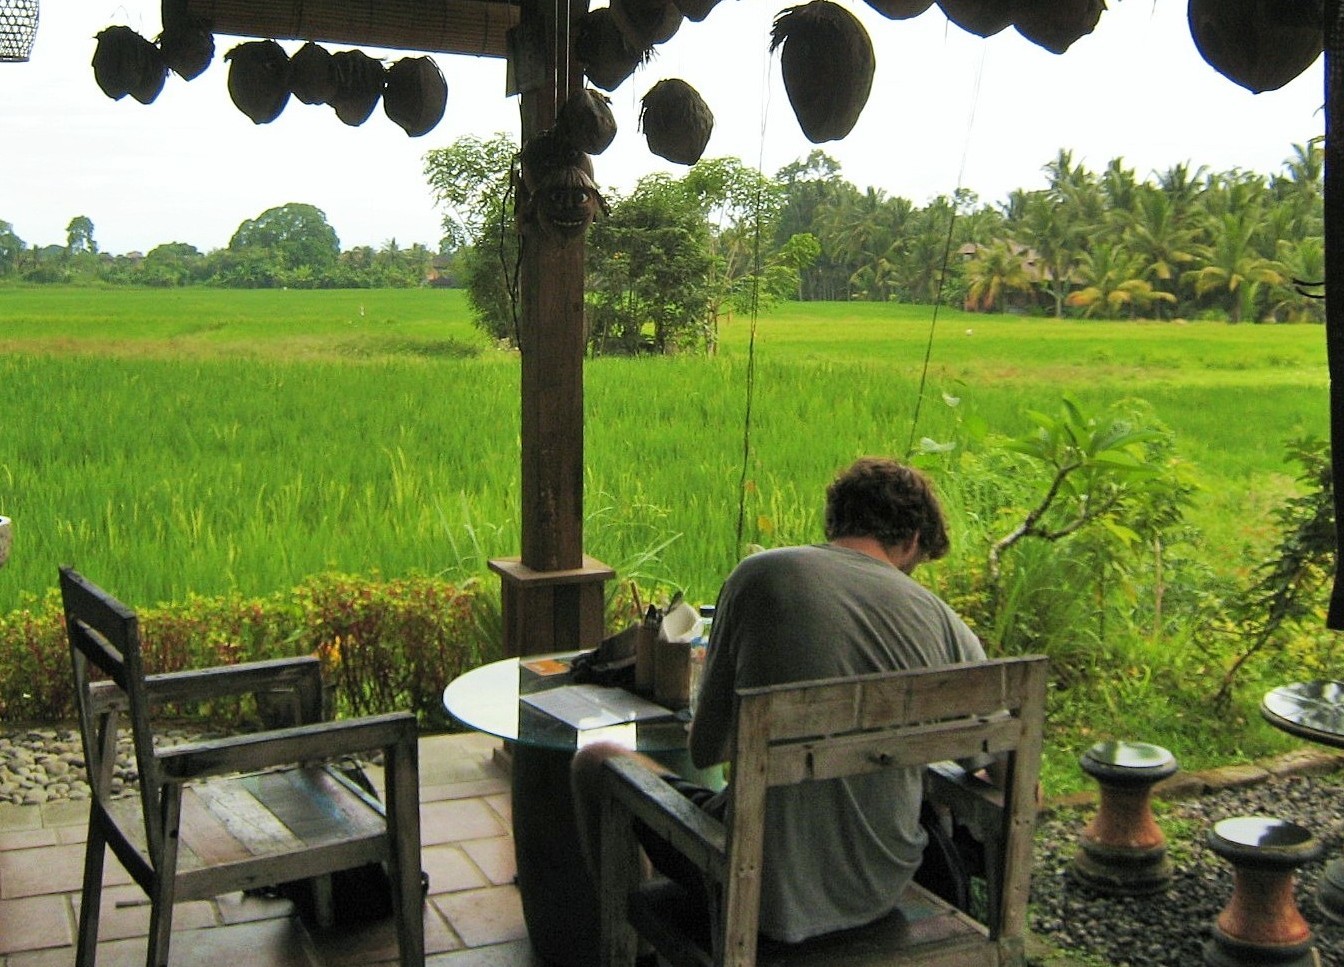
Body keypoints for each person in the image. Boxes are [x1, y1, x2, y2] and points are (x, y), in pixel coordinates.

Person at [571, 456, 987, 944]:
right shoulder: (949, 628)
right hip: (879, 890)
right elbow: (997, 762)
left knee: (594, 760)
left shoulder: (760, 575)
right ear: (913, 541)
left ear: (834, 520)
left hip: (752, 890)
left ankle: (636, 946)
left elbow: (707, 751)